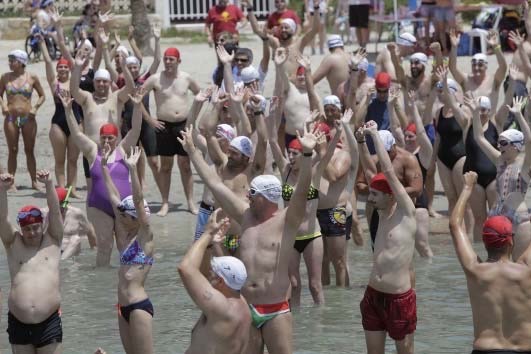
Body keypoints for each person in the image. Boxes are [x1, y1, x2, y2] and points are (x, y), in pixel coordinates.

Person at [179, 123, 317, 353]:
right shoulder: (245, 216)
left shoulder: (287, 221)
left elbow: (302, 192)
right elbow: (214, 184)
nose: (246, 195)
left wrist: (307, 154)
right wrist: (193, 151)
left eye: (252, 193)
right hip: (246, 306)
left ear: (266, 198)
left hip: (276, 308)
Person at [450, 171, 531, 354]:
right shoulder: (526, 270)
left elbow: (455, 225)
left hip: (486, 350)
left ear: (485, 242)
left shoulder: (475, 270)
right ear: (511, 240)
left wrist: (467, 187)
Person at [62, 88, 142, 266]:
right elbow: (76, 134)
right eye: (103, 138)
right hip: (99, 207)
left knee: (125, 245)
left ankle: (128, 281)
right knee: (105, 246)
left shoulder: (122, 149)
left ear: (117, 137)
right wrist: (68, 110)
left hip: (124, 208)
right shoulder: (92, 151)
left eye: (110, 138)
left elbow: (136, 130)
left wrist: (136, 107)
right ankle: (102, 286)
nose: (106, 142)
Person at [360, 120, 417, 354]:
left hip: (398, 299)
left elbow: (389, 173)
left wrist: (374, 134)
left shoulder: (406, 212)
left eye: (374, 195)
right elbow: (370, 169)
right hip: (373, 294)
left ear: (391, 196)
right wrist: (361, 140)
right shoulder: (381, 213)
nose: (369, 199)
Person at [0, 170, 64, 353]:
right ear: (21, 229)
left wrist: (49, 183)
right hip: (19, 324)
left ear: (42, 225)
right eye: (27, 229)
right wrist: (2, 189)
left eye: (36, 227)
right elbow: (2, 218)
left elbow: (55, 211)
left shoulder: (53, 241)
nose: (32, 232)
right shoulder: (13, 243)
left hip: (49, 322)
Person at [101, 146, 155, 354]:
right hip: (122, 307)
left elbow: (139, 203)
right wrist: (104, 166)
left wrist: (132, 170)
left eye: (124, 216)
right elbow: (113, 195)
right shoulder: (125, 237)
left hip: (138, 306)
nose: (120, 218)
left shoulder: (145, 236)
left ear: (135, 219)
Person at [179, 209, 251, 354]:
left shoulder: (221, 308)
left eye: (213, 271)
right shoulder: (240, 302)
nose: (208, 273)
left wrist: (207, 233)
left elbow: (185, 269)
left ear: (221, 281)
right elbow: (202, 276)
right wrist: (209, 246)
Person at [470, 96, 531, 260]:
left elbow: (530, 140)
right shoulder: (499, 161)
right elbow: (479, 137)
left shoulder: (524, 165)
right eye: (498, 142)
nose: (498, 146)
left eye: (503, 143)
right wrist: (475, 112)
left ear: (515, 146)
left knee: (520, 264)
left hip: (519, 217)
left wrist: (518, 115)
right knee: (494, 262)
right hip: (497, 214)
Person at [142, 47, 201, 216]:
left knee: (185, 165)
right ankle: (165, 203)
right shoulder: (155, 79)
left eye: (171, 59)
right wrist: (149, 120)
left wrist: (193, 117)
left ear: (178, 61)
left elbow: (199, 94)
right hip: (163, 126)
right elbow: (138, 98)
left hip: (182, 125)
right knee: (166, 167)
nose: (168, 62)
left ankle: (190, 202)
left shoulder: (186, 78)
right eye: (166, 59)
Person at [39, 37, 81, 196]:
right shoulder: (54, 83)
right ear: (57, 70)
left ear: (69, 69)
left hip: (76, 122)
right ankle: (62, 189)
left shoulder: (74, 83)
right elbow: (48, 62)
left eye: (65, 66)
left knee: (73, 159)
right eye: (60, 67)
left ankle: (73, 189)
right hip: (58, 124)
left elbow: (79, 67)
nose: (62, 69)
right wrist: (43, 44)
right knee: (60, 160)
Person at [0, 50, 46, 191]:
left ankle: (34, 181)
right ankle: (11, 182)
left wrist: (35, 108)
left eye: (12, 60)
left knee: (29, 150)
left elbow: (42, 95)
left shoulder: (31, 77)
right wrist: (3, 106)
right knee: (12, 149)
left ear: (21, 62)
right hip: (11, 118)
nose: (10, 63)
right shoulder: (5, 77)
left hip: (28, 118)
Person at [449, 29, 507, 110]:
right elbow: (452, 68)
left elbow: (503, 67)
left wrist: (496, 47)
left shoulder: (494, 81)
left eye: (480, 65)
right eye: (474, 64)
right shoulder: (466, 80)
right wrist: (454, 47)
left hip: (488, 121)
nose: (476, 68)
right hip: (470, 121)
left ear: (486, 66)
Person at [41, 187, 97, 260]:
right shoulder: (43, 214)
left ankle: (61, 261)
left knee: (76, 239)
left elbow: (90, 232)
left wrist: (95, 251)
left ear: (66, 202)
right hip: (51, 251)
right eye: (54, 204)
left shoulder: (76, 213)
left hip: (70, 253)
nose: (57, 207)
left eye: (60, 204)